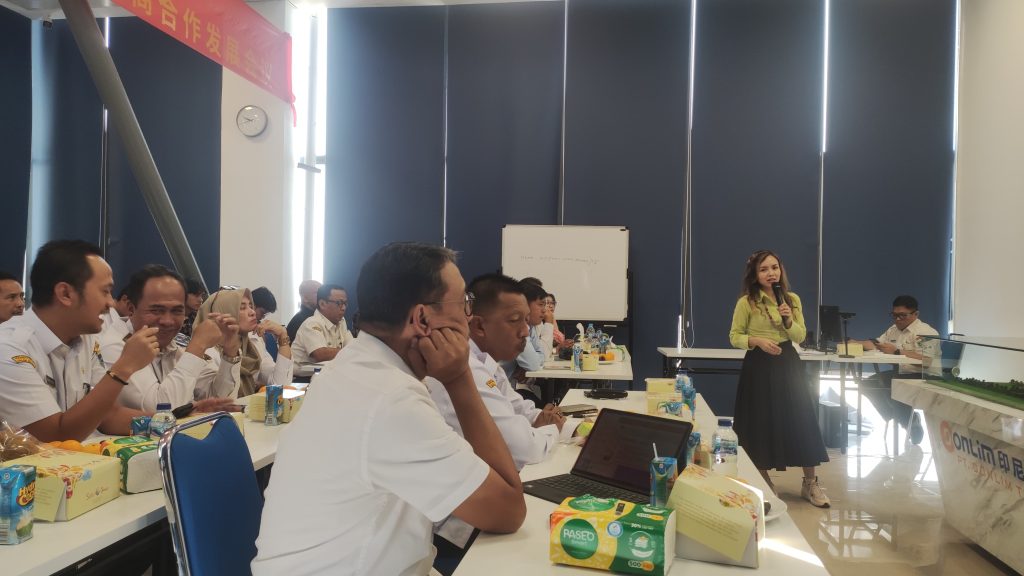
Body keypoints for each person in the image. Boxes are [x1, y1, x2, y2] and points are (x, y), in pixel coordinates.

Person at [252, 243, 525, 576]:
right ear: (422, 318)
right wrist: (459, 378)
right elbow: (508, 511)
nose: (468, 317)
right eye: (464, 303)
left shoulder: (354, 367)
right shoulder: (390, 399)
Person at [0, 240, 158, 441]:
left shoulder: (86, 340)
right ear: (65, 294)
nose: (111, 303)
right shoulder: (9, 347)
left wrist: (172, 422)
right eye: (105, 291)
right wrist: (124, 367)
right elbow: (56, 436)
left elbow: (107, 416)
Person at [427, 273, 576, 471]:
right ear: (479, 325)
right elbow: (523, 450)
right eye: (514, 320)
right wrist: (553, 429)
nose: (525, 331)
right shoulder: (464, 368)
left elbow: (518, 407)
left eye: (526, 321)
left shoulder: (485, 360)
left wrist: (562, 425)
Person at [728, 249, 830, 507]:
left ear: (781, 270)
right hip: (759, 365)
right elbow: (734, 336)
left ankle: (810, 483)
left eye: (774, 267)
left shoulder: (792, 300)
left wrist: (788, 320)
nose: (771, 273)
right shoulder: (747, 302)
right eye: (763, 269)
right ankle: (765, 482)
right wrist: (757, 341)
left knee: (801, 418)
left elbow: (799, 336)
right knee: (759, 422)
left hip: (787, 363)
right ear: (755, 275)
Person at [99, 265, 241, 412]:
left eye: (177, 311)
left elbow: (220, 400)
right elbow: (161, 411)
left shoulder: (173, 344)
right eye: (156, 310)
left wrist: (230, 353)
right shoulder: (115, 345)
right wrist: (197, 347)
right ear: (131, 308)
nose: (167, 321)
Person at [851, 295, 939, 445]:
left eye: (902, 315)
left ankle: (908, 422)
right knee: (868, 384)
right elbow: (877, 344)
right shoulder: (893, 329)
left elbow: (927, 361)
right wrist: (854, 343)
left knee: (896, 388)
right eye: (894, 315)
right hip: (901, 373)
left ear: (916, 314)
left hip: (924, 375)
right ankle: (903, 417)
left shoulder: (926, 332)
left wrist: (897, 352)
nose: (898, 319)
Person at [197, 287, 292, 398]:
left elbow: (279, 385)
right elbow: (221, 399)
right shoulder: (207, 351)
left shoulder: (253, 344)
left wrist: (283, 337)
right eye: (242, 308)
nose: (252, 312)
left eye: (251, 306)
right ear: (224, 312)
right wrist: (230, 354)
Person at [502, 281, 548, 405]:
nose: (544, 311)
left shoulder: (530, 327)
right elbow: (533, 364)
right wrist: (526, 363)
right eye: (541, 305)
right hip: (496, 392)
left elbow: (542, 354)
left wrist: (523, 364)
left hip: (507, 390)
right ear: (525, 305)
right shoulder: (515, 328)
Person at [291, 283, 354, 364]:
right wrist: (350, 352)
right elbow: (321, 355)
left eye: (345, 303)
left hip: (327, 370)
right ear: (322, 304)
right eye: (339, 303)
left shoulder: (341, 321)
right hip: (303, 372)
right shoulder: (311, 323)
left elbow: (352, 346)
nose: (344, 308)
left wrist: (353, 351)